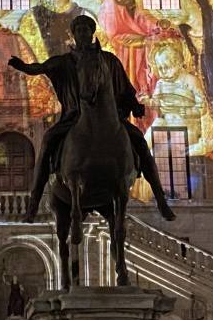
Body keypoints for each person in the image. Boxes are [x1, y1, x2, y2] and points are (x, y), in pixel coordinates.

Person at [10, 15, 175, 222]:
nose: (82, 34)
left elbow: (124, 87)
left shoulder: (109, 61)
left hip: (110, 117)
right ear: (74, 34)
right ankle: (33, 204)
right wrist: (23, 67)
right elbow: (42, 67)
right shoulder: (65, 61)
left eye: (86, 30)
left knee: (140, 142)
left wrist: (134, 105)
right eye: (78, 30)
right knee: (48, 141)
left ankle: (160, 199)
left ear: (91, 33)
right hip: (74, 117)